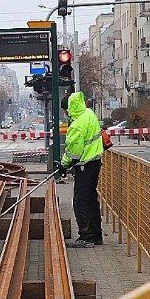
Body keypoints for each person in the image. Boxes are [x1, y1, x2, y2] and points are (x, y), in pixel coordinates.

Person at [57, 91, 104, 248]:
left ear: (68, 109)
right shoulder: (89, 113)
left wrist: (64, 165)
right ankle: (97, 235)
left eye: (65, 111)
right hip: (95, 162)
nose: (65, 114)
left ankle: (86, 236)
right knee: (91, 200)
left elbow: (73, 151)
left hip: (85, 165)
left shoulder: (76, 125)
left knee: (80, 201)